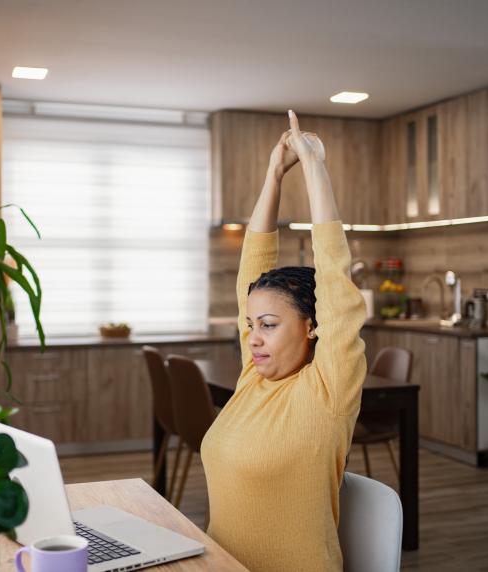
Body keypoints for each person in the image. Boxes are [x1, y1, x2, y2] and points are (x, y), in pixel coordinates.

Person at [200, 110, 368, 571]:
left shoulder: (328, 391)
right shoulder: (254, 377)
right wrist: (274, 174)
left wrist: (314, 166)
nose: (253, 338)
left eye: (269, 325)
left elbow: (334, 278)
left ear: (312, 326)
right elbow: (251, 271)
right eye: (251, 325)